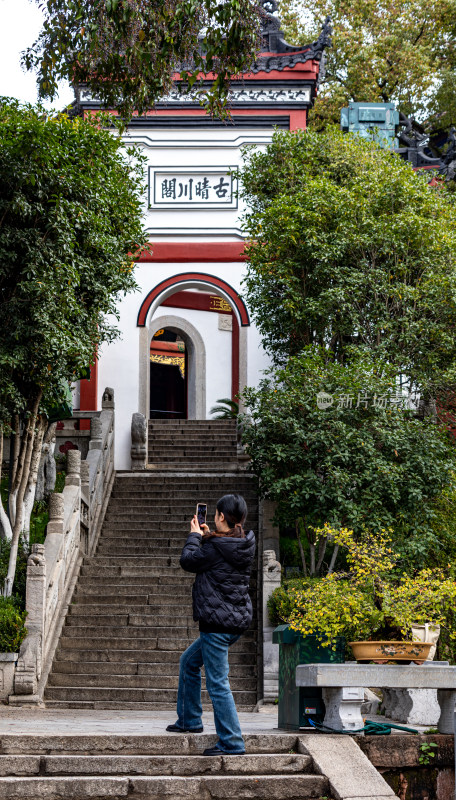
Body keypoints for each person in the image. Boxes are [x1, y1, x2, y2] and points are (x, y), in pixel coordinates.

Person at [166, 493, 256, 755]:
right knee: (189, 662)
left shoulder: (215, 548)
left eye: (215, 514)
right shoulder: (241, 542)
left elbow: (189, 561)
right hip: (234, 621)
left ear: (220, 517)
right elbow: (217, 553)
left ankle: (232, 742)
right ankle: (189, 720)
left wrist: (194, 536)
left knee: (218, 683)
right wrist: (207, 536)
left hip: (216, 624)